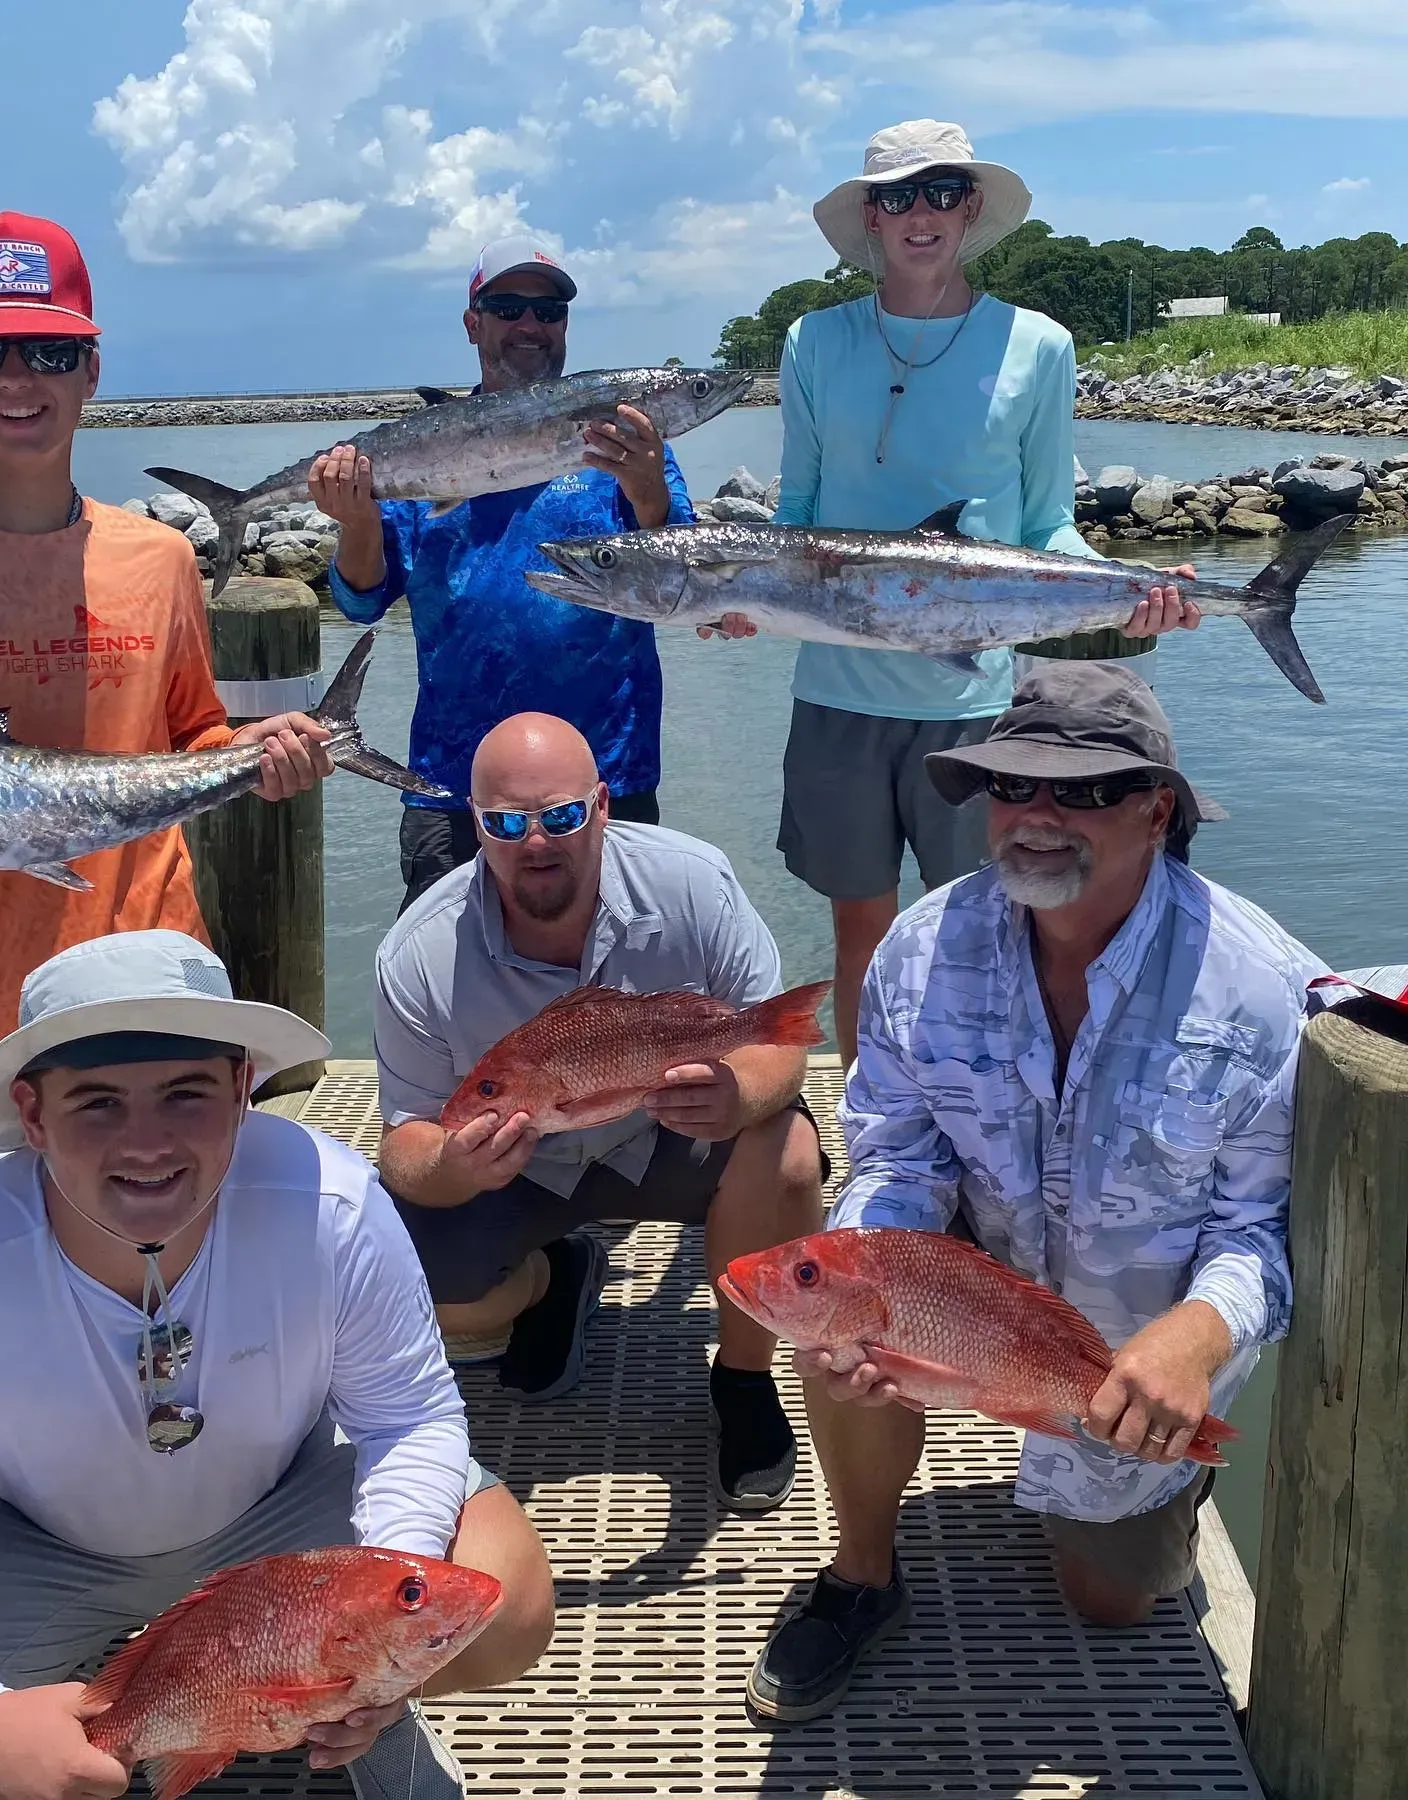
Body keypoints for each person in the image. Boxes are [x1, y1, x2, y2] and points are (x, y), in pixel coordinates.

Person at [746, 662, 1327, 1723]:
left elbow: (1265, 1227)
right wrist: (866, 1276)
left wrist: (1197, 1337)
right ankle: (862, 1573)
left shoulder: (1265, 988)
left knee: (1108, 1600)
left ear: (1158, 811)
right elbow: (897, 1155)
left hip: (1145, 1320)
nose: (1039, 818)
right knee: (831, 1323)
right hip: (976, 1258)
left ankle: (1167, 1487)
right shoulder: (919, 951)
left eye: (1087, 792)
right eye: (1014, 787)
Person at [0, 930, 554, 1800]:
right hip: (35, 1541)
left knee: (510, 1598)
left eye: (186, 1094)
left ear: (244, 1088)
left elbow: (410, 1417)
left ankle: (368, 1714)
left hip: (275, 1511)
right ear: (31, 1114)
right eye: (96, 1103)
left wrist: (378, 1626)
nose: (147, 1144)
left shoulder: (335, 1203)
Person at [707, 122, 1201, 1068]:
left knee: (990, 940)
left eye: (941, 192)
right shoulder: (814, 341)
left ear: (971, 208)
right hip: (839, 694)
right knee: (865, 938)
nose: (920, 214)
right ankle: (878, 1141)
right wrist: (745, 598)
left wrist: (1126, 591)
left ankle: (986, 1148)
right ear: (869, 216)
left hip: (979, 705)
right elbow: (800, 515)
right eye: (897, 196)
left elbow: (1048, 524)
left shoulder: (1040, 346)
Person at [371, 712, 827, 1512]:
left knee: (786, 1151)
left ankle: (746, 1379)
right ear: (474, 826)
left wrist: (739, 1094)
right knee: (402, 1268)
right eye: (506, 823)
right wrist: (451, 1164)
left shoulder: (693, 882)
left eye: (562, 816)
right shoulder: (418, 950)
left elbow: (777, 1042)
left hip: (670, 1138)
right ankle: (554, 1278)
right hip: (525, 1168)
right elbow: (404, 1140)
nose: (535, 842)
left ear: (605, 806)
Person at [0, 211, 340, 1068]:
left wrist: (262, 755)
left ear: (91, 372)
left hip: (148, 971)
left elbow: (193, 736)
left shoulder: (163, 557)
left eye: (49, 352)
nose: (17, 377)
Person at [313, 234, 697, 912]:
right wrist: (358, 521)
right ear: (473, 322)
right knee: (449, 999)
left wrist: (643, 485)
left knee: (622, 1002)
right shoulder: (415, 444)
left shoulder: (629, 441)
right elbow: (362, 598)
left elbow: (685, 577)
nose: (529, 325)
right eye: (508, 306)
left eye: (547, 312)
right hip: (455, 784)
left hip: (608, 776)